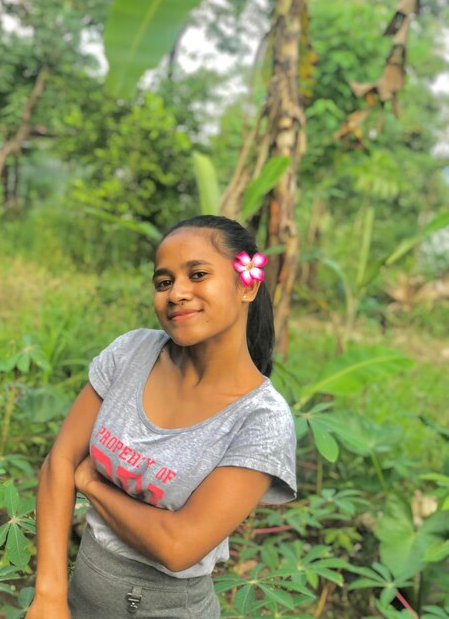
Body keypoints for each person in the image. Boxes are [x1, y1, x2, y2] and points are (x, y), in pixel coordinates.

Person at [25, 215, 297, 619]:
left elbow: (178, 546)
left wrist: (90, 484)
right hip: (77, 596)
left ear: (248, 284)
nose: (176, 294)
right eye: (164, 282)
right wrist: (49, 595)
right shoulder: (131, 353)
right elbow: (58, 464)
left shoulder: (261, 421)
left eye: (198, 274)